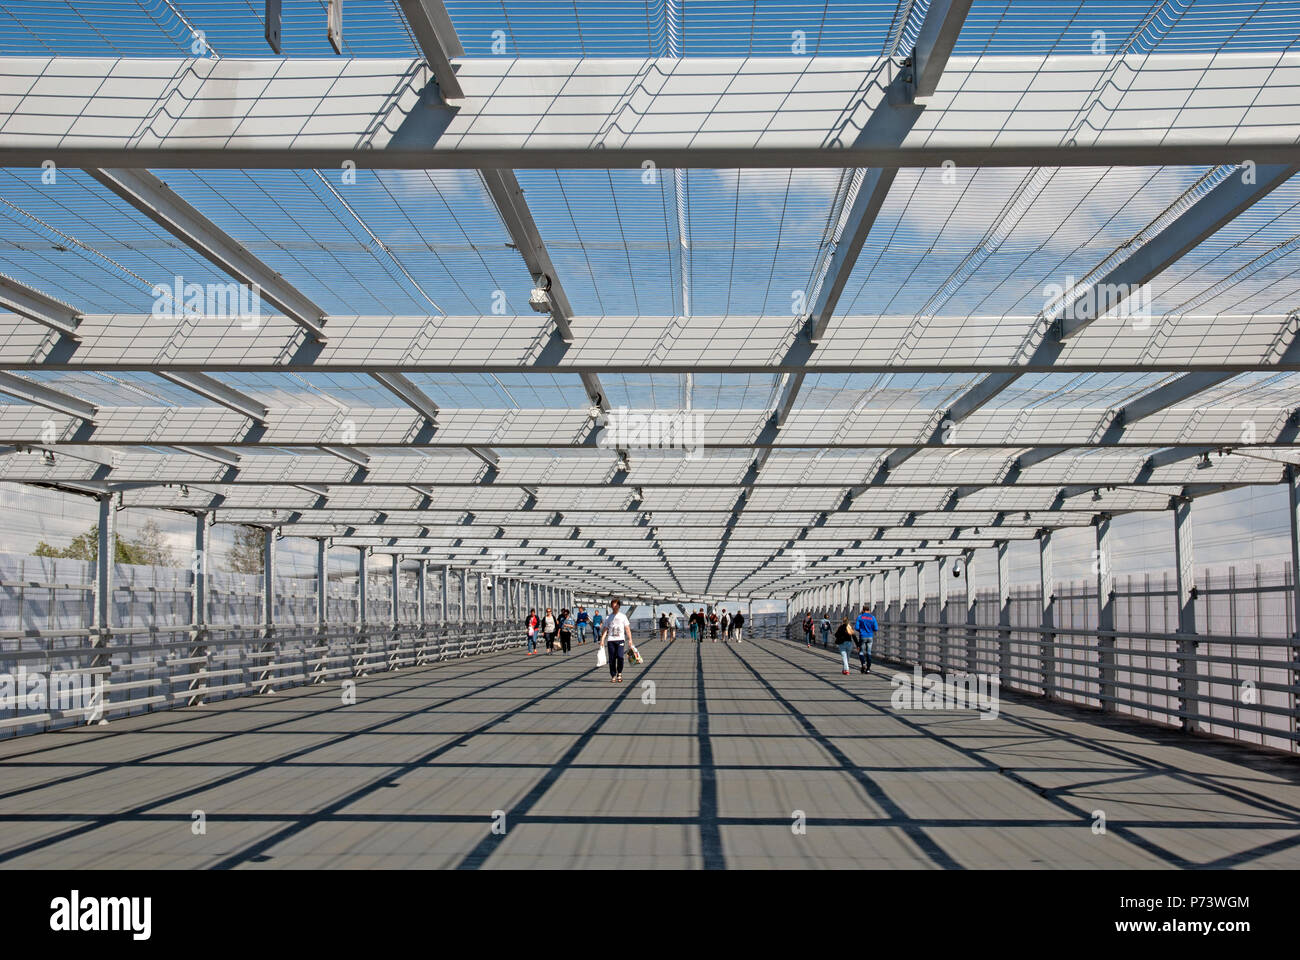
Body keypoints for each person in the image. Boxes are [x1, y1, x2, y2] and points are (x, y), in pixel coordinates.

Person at [598, 598, 633, 683]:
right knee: (612, 658)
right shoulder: (608, 617)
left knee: (620, 657)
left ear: (619, 606)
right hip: (611, 640)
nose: (614, 608)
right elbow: (605, 629)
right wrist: (602, 639)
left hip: (620, 639)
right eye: (613, 606)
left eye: (616, 606)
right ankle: (613, 675)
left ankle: (619, 672)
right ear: (611, 607)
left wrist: (630, 639)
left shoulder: (623, 616)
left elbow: (627, 628)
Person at [854, 604, 878, 674]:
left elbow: (856, 628)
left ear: (863, 610)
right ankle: (868, 668)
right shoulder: (872, 617)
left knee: (861, 652)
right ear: (869, 610)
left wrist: (861, 630)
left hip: (862, 636)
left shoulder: (860, 617)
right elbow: (876, 628)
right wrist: (870, 630)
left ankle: (863, 664)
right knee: (869, 652)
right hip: (870, 636)